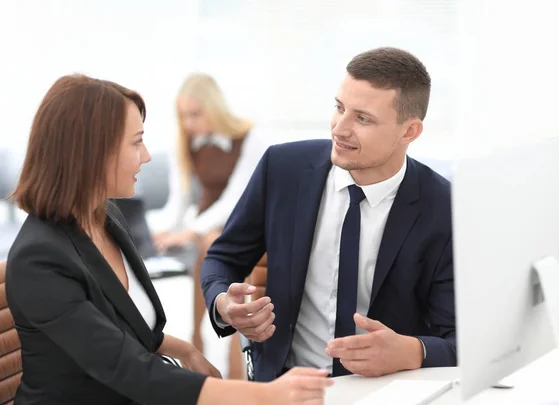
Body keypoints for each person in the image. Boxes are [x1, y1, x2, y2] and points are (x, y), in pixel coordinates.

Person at [5, 74, 332, 404]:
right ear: (92, 150)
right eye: (136, 142)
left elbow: (126, 326)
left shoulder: (105, 218)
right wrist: (264, 396)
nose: (146, 156)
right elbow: (125, 366)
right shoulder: (39, 259)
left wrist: (185, 349)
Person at [201, 47, 456, 382]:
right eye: (339, 108)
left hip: (386, 389)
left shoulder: (445, 207)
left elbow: (461, 337)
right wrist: (224, 304)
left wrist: (411, 351)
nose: (339, 129)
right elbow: (222, 257)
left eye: (362, 118)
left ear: (409, 132)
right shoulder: (282, 168)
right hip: (283, 382)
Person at [152, 74, 269, 375]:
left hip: (243, 222)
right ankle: (200, 334)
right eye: (183, 115)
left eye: (195, 114)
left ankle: (216, 342)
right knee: (210, 245)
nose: (188, 123)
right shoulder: (187, 141)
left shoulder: (250, 138)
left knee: (211, 244)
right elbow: (180, 196)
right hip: (208, 224)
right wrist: (166, 228)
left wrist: (193, 230)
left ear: (214, 108)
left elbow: (236, 196)